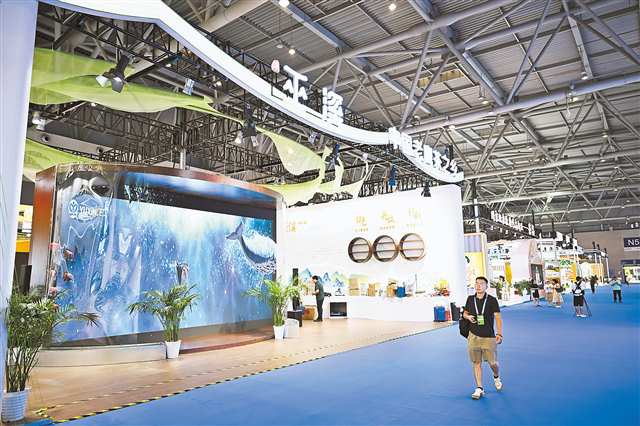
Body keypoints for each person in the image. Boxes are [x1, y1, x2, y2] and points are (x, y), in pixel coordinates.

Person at [463, 276, 503, 400]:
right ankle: (479, 388)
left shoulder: (492, 300)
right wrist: (468, 317)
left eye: (481, 283)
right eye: (476, 283)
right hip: (473, 335)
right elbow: (465, 313)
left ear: (486, 286)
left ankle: (496, 376)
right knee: (476, 362)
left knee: (493, 363)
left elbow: (498, 318)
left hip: (488, 337)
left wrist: (499, 333)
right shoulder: (470, 299)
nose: (478, 285)